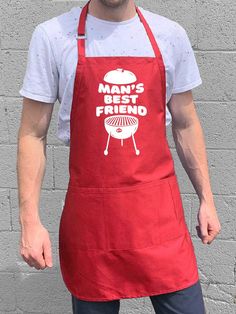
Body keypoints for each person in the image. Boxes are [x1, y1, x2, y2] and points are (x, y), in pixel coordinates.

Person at [17, 0, 221, 313]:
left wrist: (207, 199)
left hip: (160, 223)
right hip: (93, 227)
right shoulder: (53, 36)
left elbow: (186, 122)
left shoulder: (169, 35)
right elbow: (32, 134)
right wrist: (30, 222)